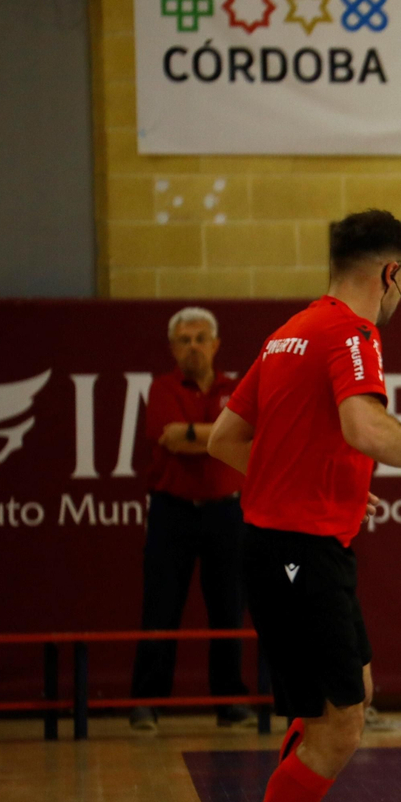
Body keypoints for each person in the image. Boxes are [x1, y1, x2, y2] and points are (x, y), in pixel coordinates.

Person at [207, 210, 401, 802]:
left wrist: (309, 476)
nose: (399, 295)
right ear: (391, 272)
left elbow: (226, 440)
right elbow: (364, 426)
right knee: (342, 721)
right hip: (298, 550)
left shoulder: (291, 329)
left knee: (337, 704)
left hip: (293, 542)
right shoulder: (353, 334)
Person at [130, 307, 252, 730]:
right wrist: (213, 436)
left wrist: (193, 433)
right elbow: (169, 437)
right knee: (161, 605)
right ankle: (146, 702)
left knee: (229, 608)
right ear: (173, 349)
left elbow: (245, 436)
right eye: (185, 340)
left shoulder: (235, 389)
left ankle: (230, 701)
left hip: (227, 510)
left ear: (216, 345)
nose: (194, 346)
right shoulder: (162, 389)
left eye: (201, 338)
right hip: (173, 510)